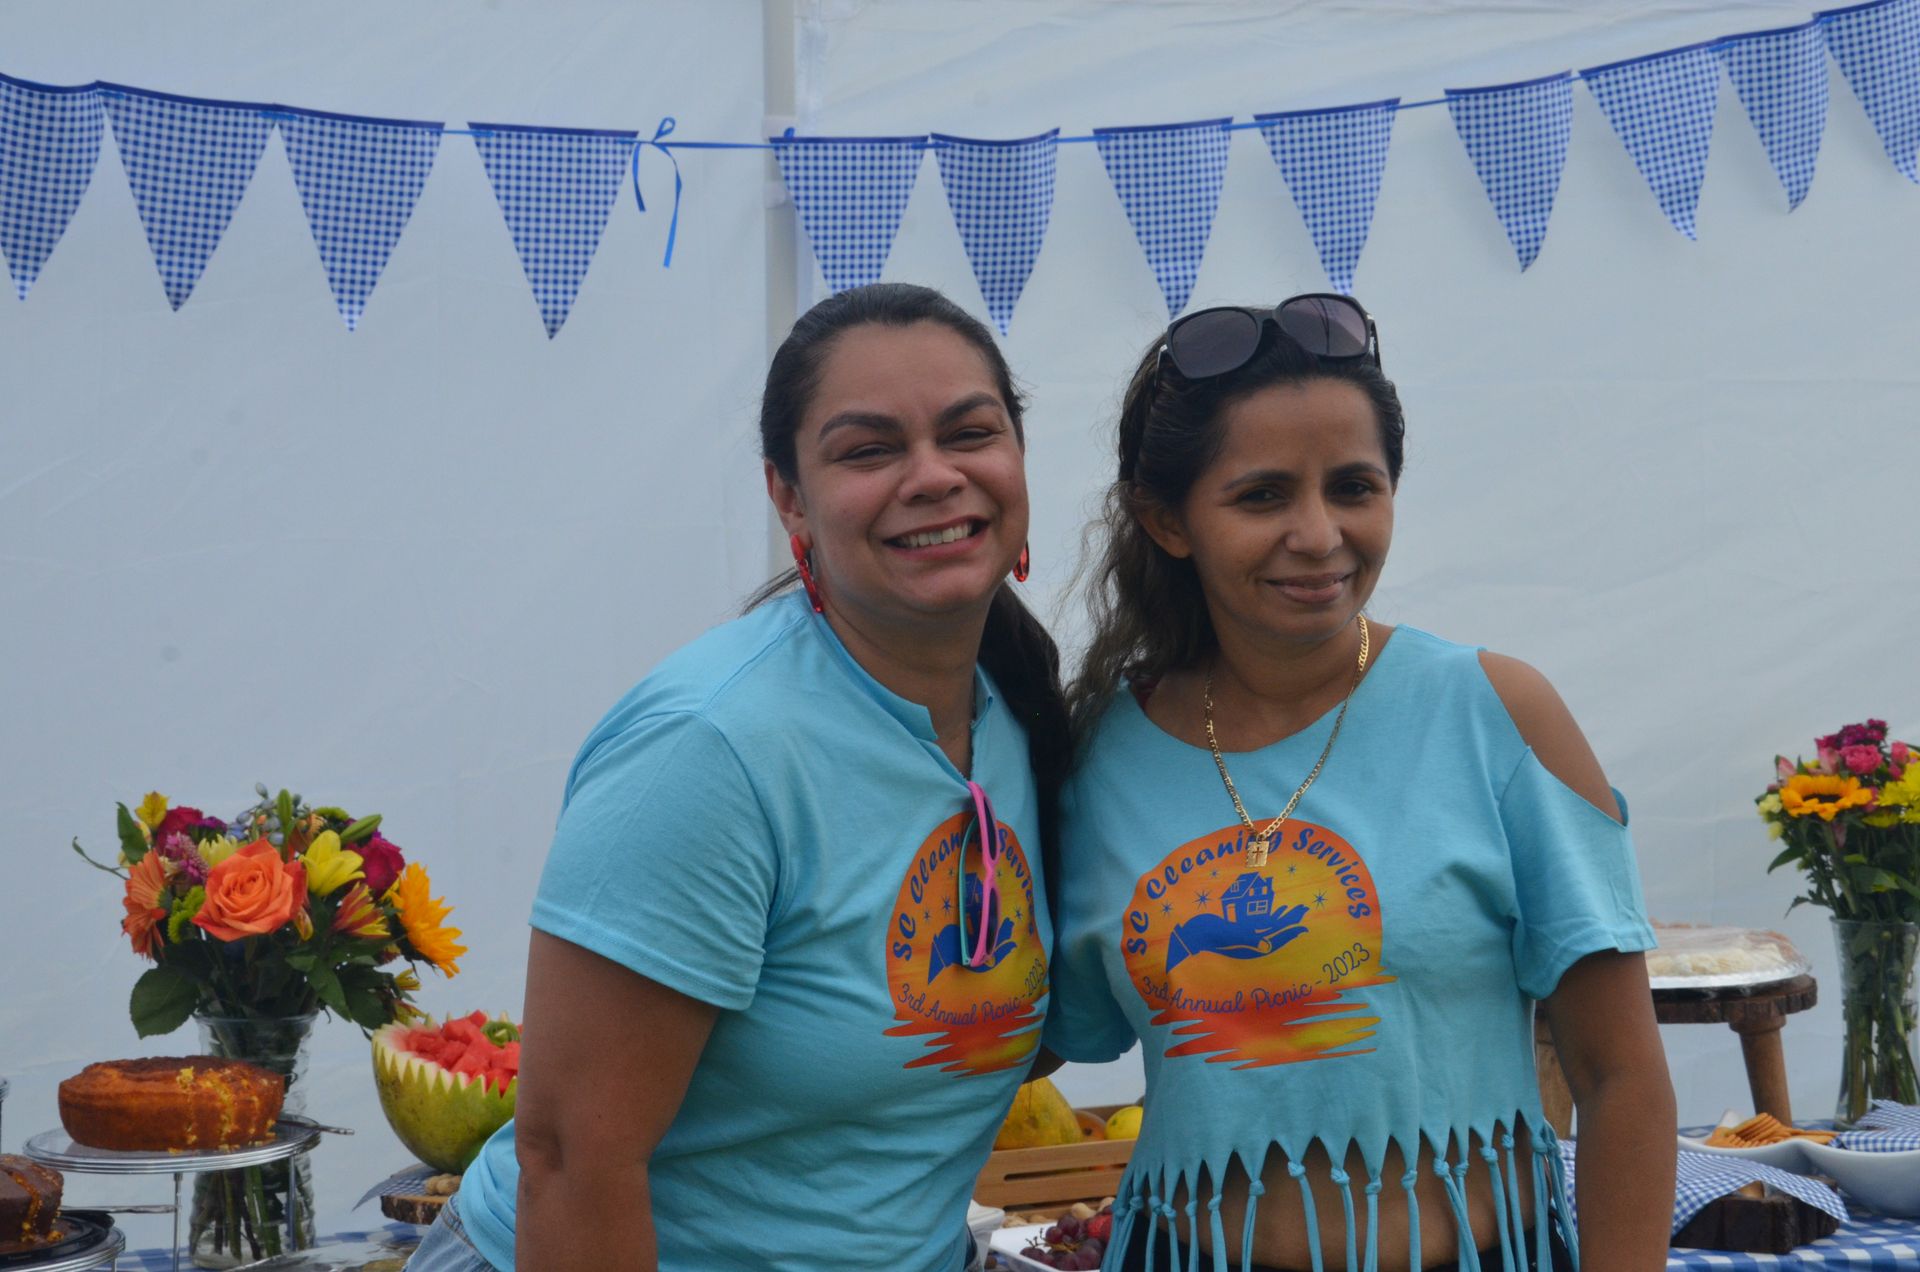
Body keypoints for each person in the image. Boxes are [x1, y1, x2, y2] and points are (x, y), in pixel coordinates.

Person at [407, 283, 1071, 1272]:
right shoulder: (710, 746)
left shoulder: (1016, 713)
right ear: (788, 497)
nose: (933, 476)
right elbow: (570, 1160)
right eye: (869, 449)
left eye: (968, 433)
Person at [1042, 296, 1675, 1272]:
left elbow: (1622, 1072)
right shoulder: (1099, 763)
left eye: (1354, 488)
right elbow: (1029, 1040)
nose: (1320, 534)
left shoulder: (1498, 713)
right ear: (1168, 520)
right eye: (1261, 497)